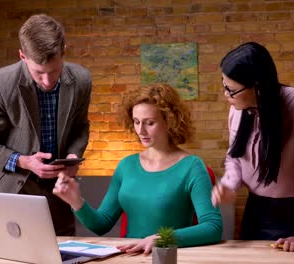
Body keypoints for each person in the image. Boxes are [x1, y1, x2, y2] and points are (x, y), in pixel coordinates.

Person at [53, 83, 223, 254]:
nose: (141, 130)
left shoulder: (192, 167)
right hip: (129, 257)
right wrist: (75, 201)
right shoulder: (126, 165)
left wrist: (162, 239)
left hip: (167, 257)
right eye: (136, 122)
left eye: (150, 123)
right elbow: (101, 224)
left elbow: (212, 227)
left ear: (170, 121)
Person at [0, 14, 92, 236]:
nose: (47, 81)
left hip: (57, 195)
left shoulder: (82, 79)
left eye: (54, 71)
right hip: (10, 192)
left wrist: (74, 156)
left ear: (64, 50)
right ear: (22, 56)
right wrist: (25, 161)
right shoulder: (0, 82)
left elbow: (80, 127)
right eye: (39, 73)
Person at [211, 42, 294, 252]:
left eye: (231, 90)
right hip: (258, 210)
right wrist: (229, 184)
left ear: (256, 86)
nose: (225, 96)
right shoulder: (238, 108)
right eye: (224, 86)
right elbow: (235, 156)